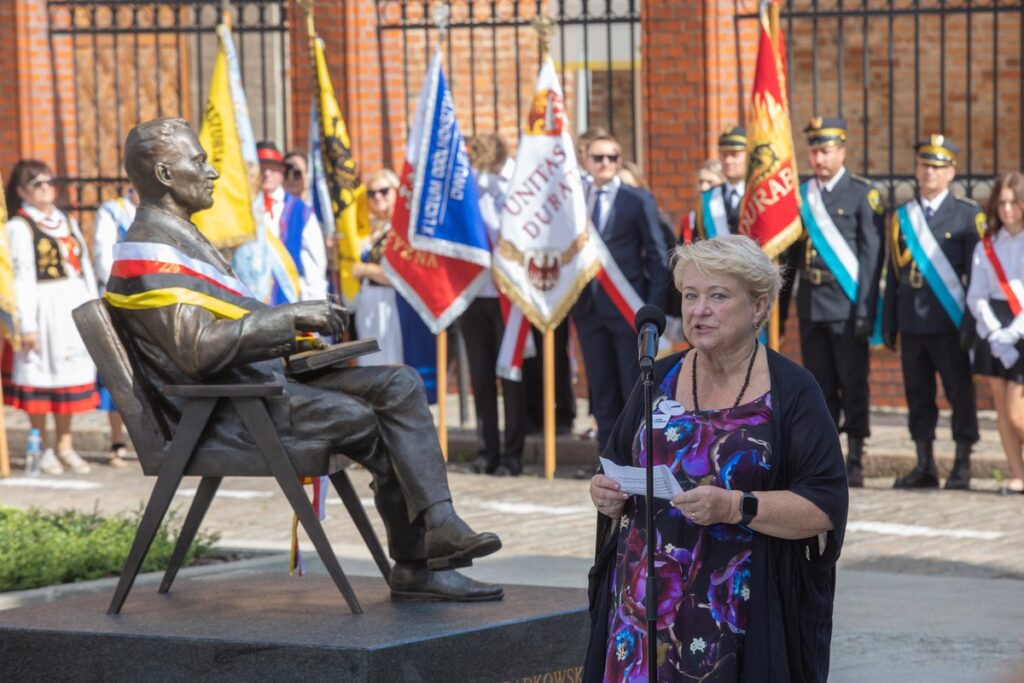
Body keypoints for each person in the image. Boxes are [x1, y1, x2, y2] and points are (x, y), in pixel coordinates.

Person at [106, 118, 503, 601]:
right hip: (225, 411)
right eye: (200, 161)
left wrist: (301, 335)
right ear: (166, 174)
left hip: (261, 384)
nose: (213, 173)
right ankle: (417, 566)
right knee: (367, 419)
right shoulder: (148, 253)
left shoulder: (181, 237)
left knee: (398, 383)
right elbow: (197, 351)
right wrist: (287, 319)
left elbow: (224, 327)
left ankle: (440, 522)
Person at [584, 235, 848, 682]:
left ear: (759, 306)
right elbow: (611, 464)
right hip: (644, 611)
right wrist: (604, 493)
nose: (698, 309)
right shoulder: (659, 376)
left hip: (739, 613)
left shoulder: (793, 390)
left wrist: (733, 506)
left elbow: (823, 506)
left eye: (718, 296)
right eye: (690, 295)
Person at [882, 135, 983, 490]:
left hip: (950, 322)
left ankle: (962, 463)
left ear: (951, 172)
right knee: (918, 394)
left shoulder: (969, 215)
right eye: (924, 166)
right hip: (911, 321)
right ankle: (925, 463)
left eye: (937, 167)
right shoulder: (901, 216)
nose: (929, 173)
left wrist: (972, 322)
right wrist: (889, 321)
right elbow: (892, 274)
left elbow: (978, 276)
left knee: (959, 393)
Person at [794, 117, 885, 487]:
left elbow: (871, 257)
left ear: (842, 151)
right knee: (819, 383)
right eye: (814, 151)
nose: (819, 158)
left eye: (826, 150)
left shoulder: (863, 193)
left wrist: (865, 309)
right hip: (811, 302)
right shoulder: (801, 194)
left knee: (852, 381)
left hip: (847, 306)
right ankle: (826, 454)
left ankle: (857, 455)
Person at [573, 132, 670, 455]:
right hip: (589, 309)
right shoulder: (576, 198)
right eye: (598, 158)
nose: (605, 164)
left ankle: (636, 458)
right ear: (586, 160)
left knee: (633, 391)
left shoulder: (636, 198)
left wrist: (651, 312)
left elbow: (658, 259)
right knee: (601, 392)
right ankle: (606, 461)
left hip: (628, 308)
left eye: (612, 158)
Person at [2, 160, 99, 475]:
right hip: (41, 307)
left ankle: (65, 445)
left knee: (69, 375)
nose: (46, 188)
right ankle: (41, 446)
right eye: (37, 183)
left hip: (69, 304)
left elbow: (83, 268)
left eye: (48, 182)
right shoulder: (20, 227)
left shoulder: (66, 221)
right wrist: (26, 325)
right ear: (21, 191)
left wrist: (91, 311)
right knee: (40, 376)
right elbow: (22, 277)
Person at [459, 133, 527, 476]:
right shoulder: (470, 185)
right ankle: (487, 450)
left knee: (511, 374)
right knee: (481, 376)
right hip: (474, 292)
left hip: (508, 294)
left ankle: (513, 455)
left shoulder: (517, 183)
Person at [966, 172, 1024, 494]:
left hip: (1020, 325)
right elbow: (976, 294)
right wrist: (993, 330)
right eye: (1001, 203)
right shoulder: (987, 244)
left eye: (1013, 202)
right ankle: (1018, 474)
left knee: (1018, 412)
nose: (1007, 209)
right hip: (994, 324)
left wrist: (1014, 332)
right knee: (1001, 409)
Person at [234, 141, 328, 304]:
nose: (267, 173)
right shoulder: (240, 211)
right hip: (249, 303)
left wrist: (311, 308)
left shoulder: (301, 212)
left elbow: (315, 268)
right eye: (261, 167)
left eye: (273, 167)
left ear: (282, 171)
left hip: (290, 304)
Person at [93, 187, 141, 467]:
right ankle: (117, 439)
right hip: (121, 298)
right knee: (117, 369)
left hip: (152, 301)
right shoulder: (112, 211)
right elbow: (103, 258)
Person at [351, 168, 404, 366]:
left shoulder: (401, 229)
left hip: (389, 304)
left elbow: (397, 276)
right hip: (367, 302)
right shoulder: (371, 228)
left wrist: (364, 269)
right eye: (372, 193)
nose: (378, 197)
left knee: (389, 362)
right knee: (369, 363)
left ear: (396, 191)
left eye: (384, 191)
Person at [695, 127, 747, 239]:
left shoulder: (758, 195)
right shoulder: (707, 198)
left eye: (734, 155)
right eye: (724, 155)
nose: (728, 161)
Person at [679, 160, 726, 245]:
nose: (703, 187)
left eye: (710, 182)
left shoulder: (732, 211)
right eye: (700, 182)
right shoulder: (692, 219)